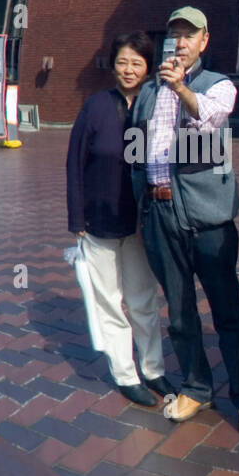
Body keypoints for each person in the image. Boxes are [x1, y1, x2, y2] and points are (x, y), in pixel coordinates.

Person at [131, 6, 239, 435]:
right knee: (181, 312)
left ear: (204, 41)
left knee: (228, 313)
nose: (181, 43)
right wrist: (141, 207)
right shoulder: (150, 91)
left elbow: (209, 122)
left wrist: (181, 88)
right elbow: (135, 150)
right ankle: (196, 387)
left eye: (189, 35)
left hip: (207, 220)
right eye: (174, 36)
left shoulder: (217, 85)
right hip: (159, 213)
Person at [65, 32, 170, 406]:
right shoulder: (95, 107)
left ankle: (154, 369)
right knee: (110, 300)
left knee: (143, 299)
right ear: (114, 64)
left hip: (140, 221)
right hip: (99, 222)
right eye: (123, 61)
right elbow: (75, 164)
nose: (128, 69)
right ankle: (126, 374)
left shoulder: (155, 104)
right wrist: (76, 216)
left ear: (148, 67)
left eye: (137, 63)